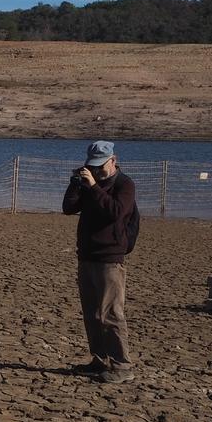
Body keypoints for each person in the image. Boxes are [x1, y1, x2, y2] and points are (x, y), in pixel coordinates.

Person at [62, 140, 138, 384]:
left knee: (111, 313)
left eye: (100, 165)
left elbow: (115, 212)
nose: (96, 170)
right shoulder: (87, 183)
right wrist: (76, 185)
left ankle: (122, 365)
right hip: (87, 254)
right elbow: (68, 208)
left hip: (110, 257)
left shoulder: (125, 185)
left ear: (113, 160)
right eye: (92, 166)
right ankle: (99, 360)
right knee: (92, 313)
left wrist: (94, 187)